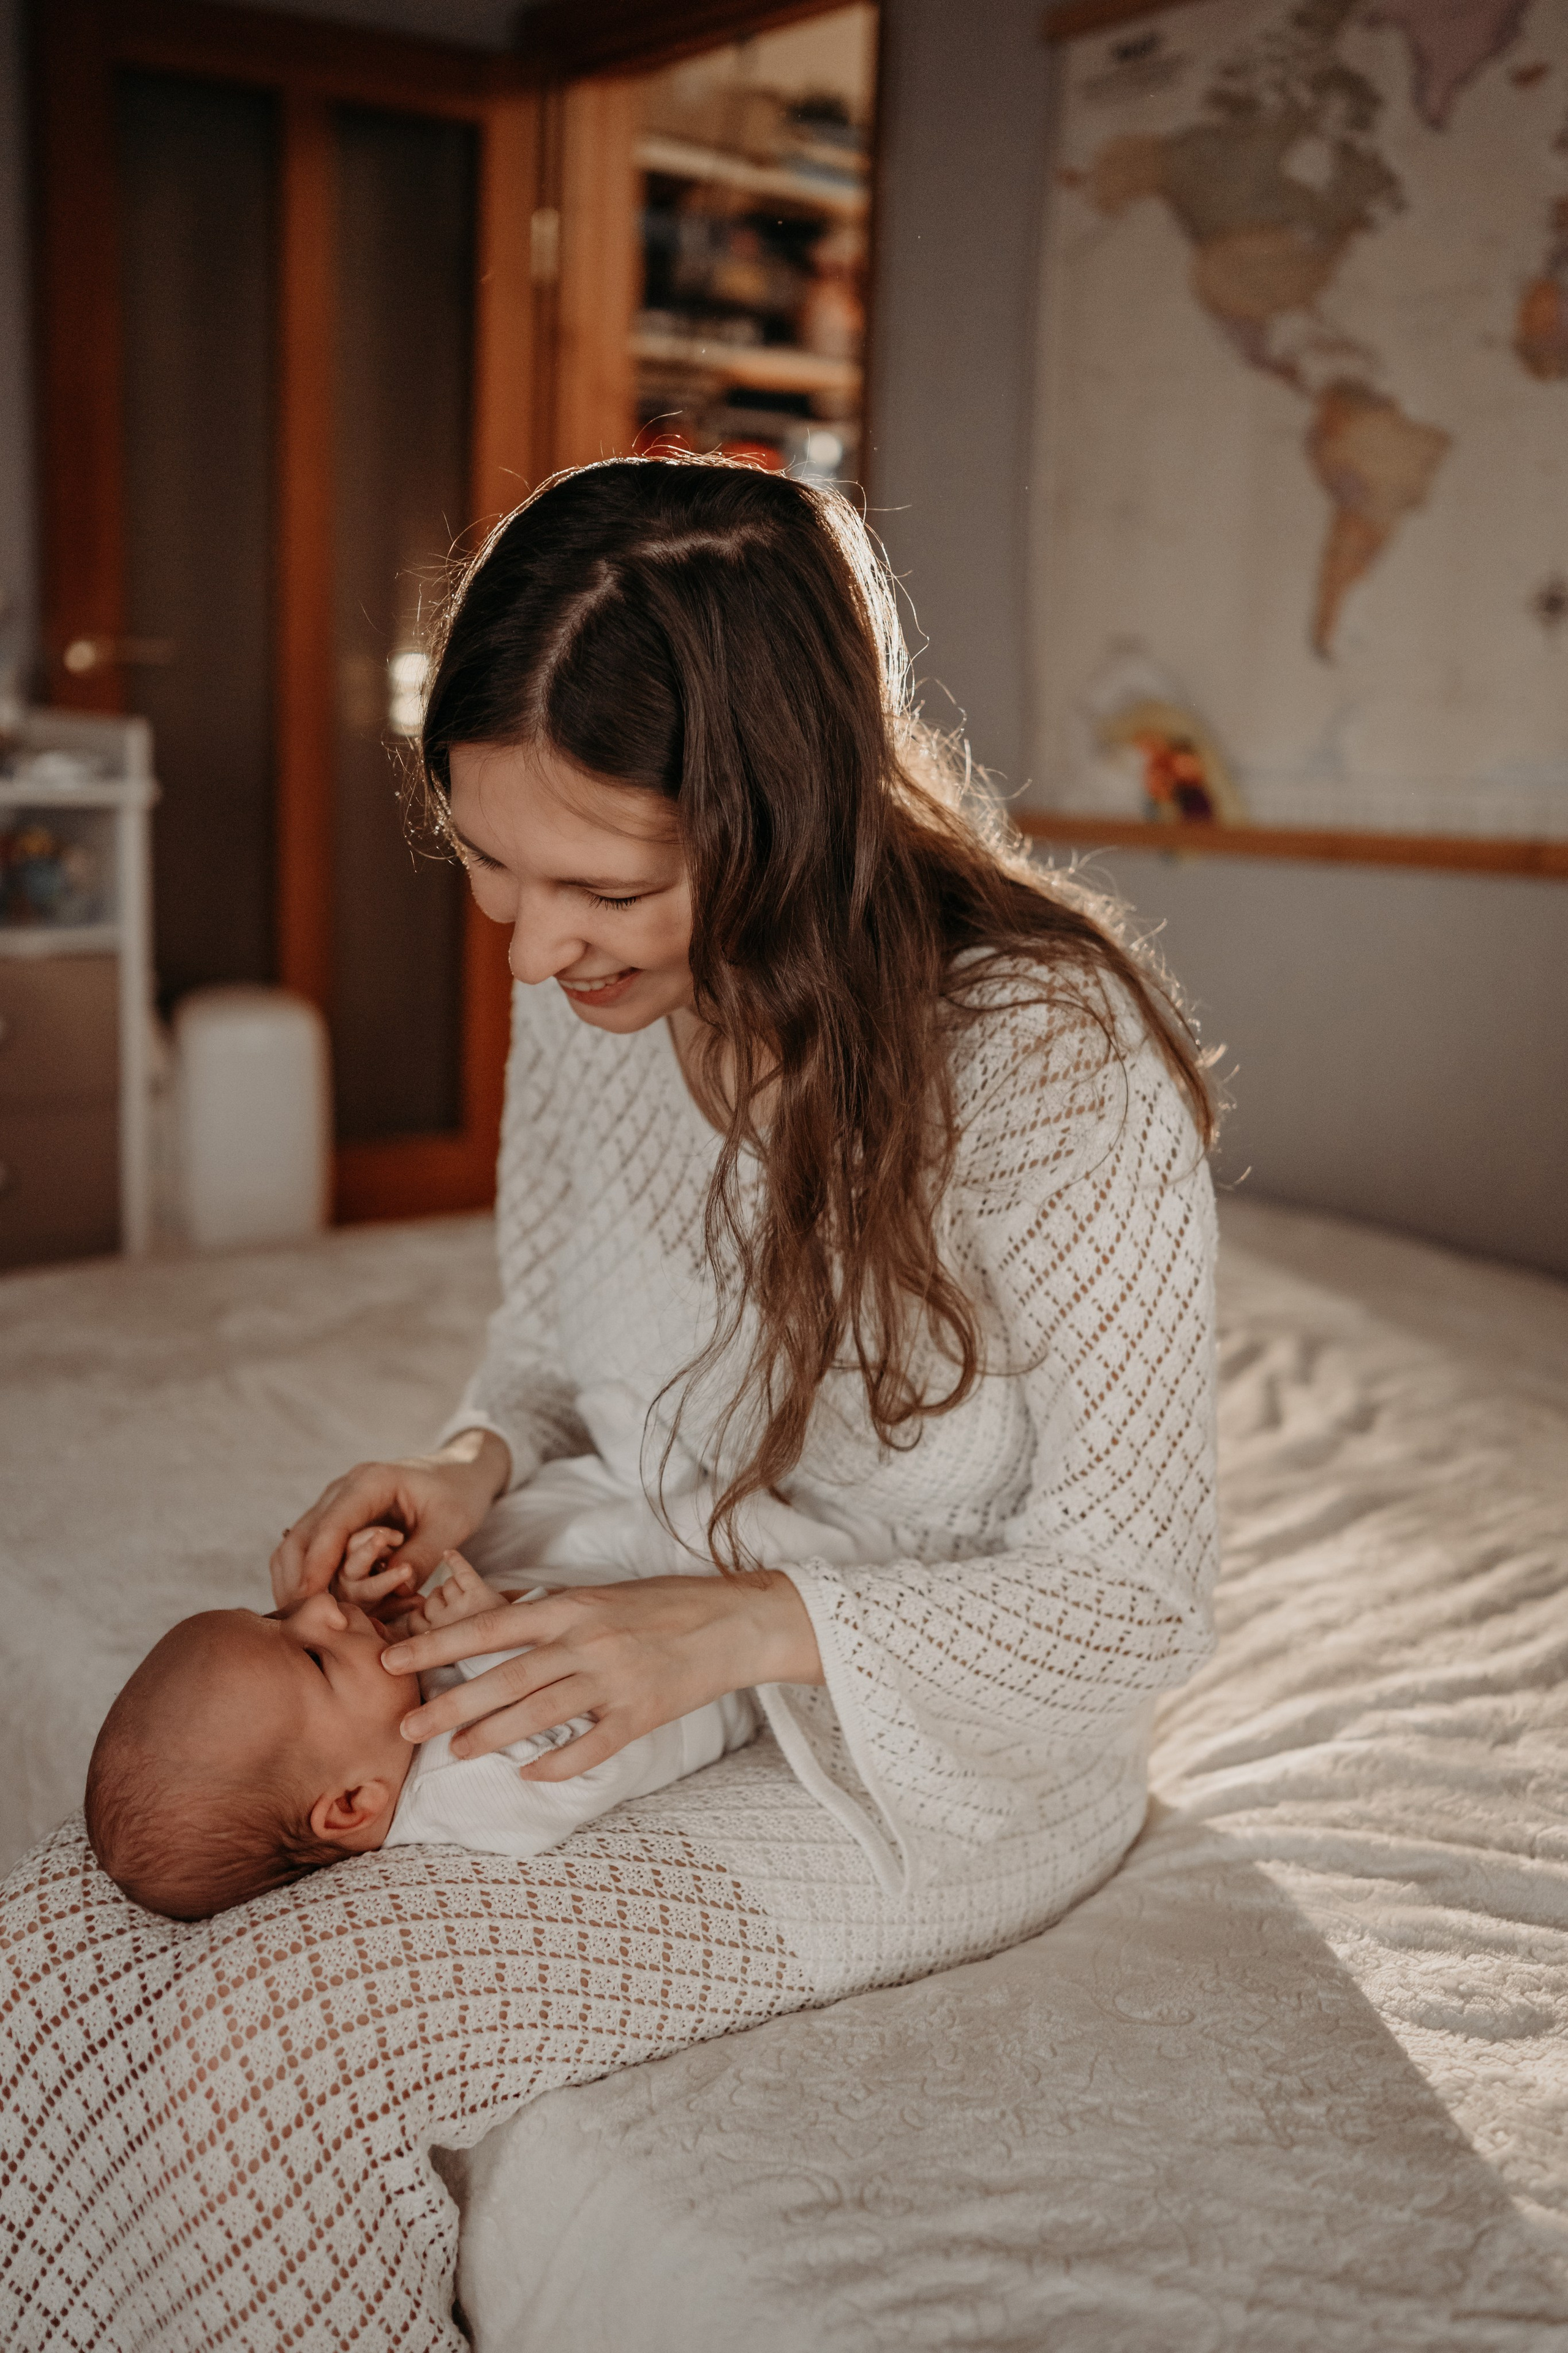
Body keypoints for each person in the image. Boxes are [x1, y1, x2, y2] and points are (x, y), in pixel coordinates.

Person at [14, 455, 1221, 2340]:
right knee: (49, 1950)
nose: (529, 945)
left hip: (922, 1768)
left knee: (284, 2035)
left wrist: (728, 1626)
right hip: (631, 1618)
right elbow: (549, 1337)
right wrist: (467, 1460)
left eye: (604, 886)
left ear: (786, 826)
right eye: (487, 863)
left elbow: (1134, 1598)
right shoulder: (587, 1007)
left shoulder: (1056, 1072)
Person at [81, 1534, 760, 1919]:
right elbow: (582, 1755)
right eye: (314, 1656)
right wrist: (492, 1632)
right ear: (353, 1803)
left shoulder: (369, 1736)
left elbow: (382, 1666)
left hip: (628, 1586)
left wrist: (378, 1611)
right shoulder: (456, 1787)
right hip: (715, 1672)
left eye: (273, 1617)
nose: (318, 1608)